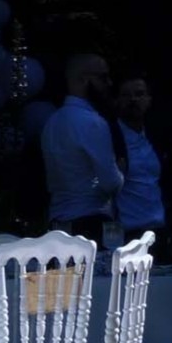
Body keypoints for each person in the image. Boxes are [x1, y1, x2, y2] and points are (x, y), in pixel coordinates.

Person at [40, 53, 124, 244]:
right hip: (90, 221)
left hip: (57, 222)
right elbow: (110, 183)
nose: (109, 83)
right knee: (94, 274)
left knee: (64, 274)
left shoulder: (52, 122)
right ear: (84, 79)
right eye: (103, 77)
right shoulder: (93, 122)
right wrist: (121, 172)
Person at [109, 70, 167, 243]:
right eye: (126, 95)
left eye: (139, 94)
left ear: (149, 99)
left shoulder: (156, 136)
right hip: (127, 233)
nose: (133, 100)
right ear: (117, 100)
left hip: (158, 229)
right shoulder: (110, 137)